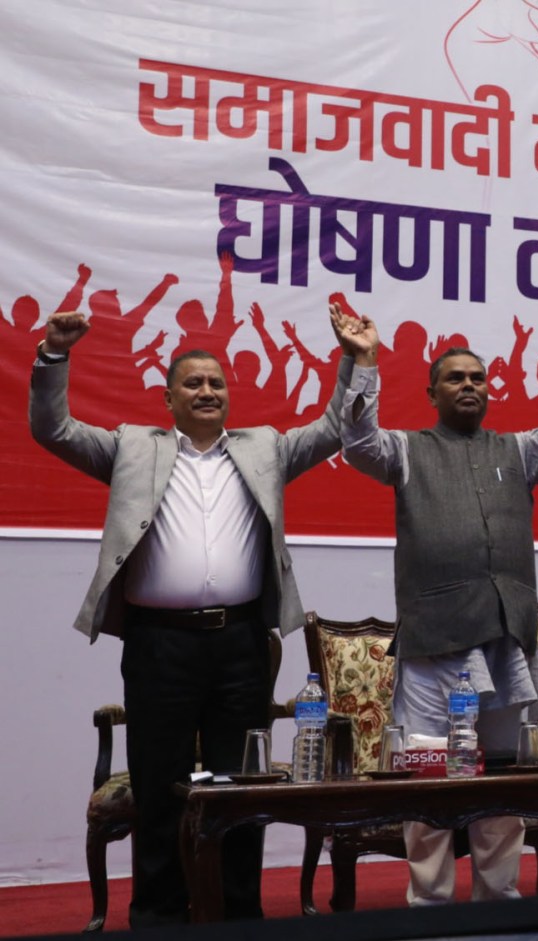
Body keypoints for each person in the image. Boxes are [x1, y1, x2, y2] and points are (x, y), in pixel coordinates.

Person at [29, 309, 354, 926]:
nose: (208, 391)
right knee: (160, 790)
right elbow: (53, 428)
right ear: (169, 397)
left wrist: (354, 359)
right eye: (194, 383)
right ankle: (158, 918)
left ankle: (238, 915)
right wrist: (53, 355)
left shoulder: (265, 448)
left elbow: (336, 426)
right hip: (160, 646)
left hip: (241, 644)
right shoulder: (131, 447)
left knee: (242, 790)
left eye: (217, 383)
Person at [333, 297, 538, 905]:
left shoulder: (519, 450)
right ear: (432, 393)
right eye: (455, 378)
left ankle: (497, 905)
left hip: (507, 641)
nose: (469, 386)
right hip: (434, 645)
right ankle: (429, 907)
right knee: (428, 781)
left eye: (478, 378)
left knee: (503, 785)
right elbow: (357, 441)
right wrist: (365, 361)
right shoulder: (406, 450)